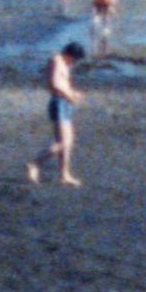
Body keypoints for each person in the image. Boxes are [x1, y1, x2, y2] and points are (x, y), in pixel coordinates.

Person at [27, 43, 84, 187]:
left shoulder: (63, 63)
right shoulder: (56, 61)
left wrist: (72, 93)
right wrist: (69, 96)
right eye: (74, 59)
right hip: (59, 102)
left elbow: (63, 83)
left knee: (68, 141)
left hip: (64, 102)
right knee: (62, 141)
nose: (74, 62)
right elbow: (55, 84)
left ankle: (64, 174)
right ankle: (35, 163)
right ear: (69, 54)